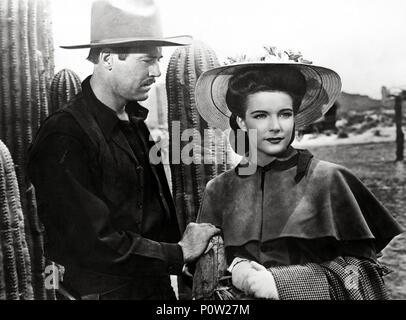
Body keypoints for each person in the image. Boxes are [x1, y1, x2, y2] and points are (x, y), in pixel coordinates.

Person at [26, 0, 219, 300]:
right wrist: (178, 253)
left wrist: (178, 259)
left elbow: (153, 214)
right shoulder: (65, 134)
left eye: (158, 59)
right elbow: (93, 242)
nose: (157, 71)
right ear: (107, 58)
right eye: (147, 60)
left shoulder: (135, 121)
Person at [193, 55, 404, 300]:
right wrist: (234, 271)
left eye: (285, 114)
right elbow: (203, 279)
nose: (276, 126)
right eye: (261, 115)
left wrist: (283, 284)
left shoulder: (330, 178)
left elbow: (366, 277)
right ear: (241, 121)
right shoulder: (219, 189)